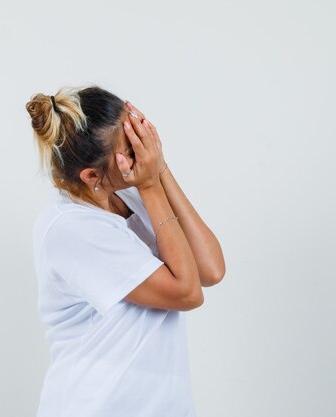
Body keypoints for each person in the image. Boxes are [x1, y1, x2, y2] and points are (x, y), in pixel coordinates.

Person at [25, 85, 225, 417]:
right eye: (130, 151)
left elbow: (210, 270)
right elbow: (187, 292)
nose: (141, 154)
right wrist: (149, 183)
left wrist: (160, 169)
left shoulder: (127, 192)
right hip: (99, 406)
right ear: (91, 176)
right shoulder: (72, 229)